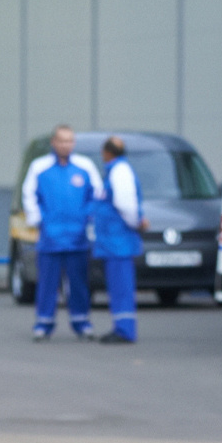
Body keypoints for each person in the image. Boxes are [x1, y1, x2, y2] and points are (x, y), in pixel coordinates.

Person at [20, 124, 101, 341]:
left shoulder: (85, 166)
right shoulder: (40, 167)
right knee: (47, 283)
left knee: (79, 284)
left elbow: (97, 194)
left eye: (70, 141)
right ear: (54, 142)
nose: (66, 145)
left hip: (78, 238)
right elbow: (28, 194)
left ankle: (81, 323)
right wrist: (38, 220)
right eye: (62, 141)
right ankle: (43, 323)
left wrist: (88, 218)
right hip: (50, 238)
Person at [92, 135, 145, 343]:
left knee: (121, 288)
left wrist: (136, 223)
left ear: (106, 153)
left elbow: (126, 205)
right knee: (119, 287)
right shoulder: (117, 170)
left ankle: (124, 330)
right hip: (116, 242)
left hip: (118, 242)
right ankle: (122, 327)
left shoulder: (119, 172)